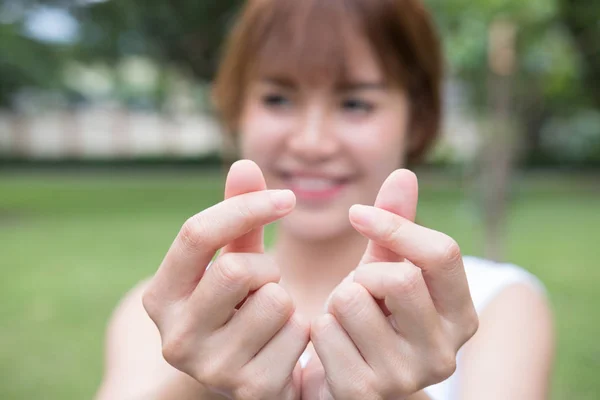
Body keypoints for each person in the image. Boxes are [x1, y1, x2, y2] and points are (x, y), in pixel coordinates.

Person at [95, 0, 554, 399]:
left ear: (416, 120)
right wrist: (200, 383)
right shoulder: (170, 314)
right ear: (237, 111)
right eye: (278, 98)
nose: (312, 143)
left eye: (355, 103)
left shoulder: (495, 305)